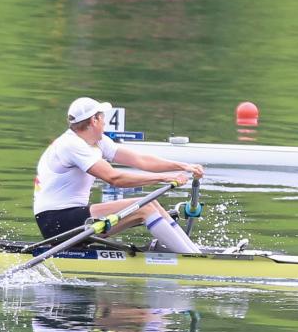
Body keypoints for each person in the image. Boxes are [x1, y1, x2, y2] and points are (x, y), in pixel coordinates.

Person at [34, 97, 206, 250]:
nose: (105, 122)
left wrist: (183, 166)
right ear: (94, 120)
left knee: (152, 204)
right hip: (56, 222)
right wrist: (164, 178)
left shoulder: (98, 141)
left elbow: (141, 160)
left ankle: (192, 252)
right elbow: (114, 178)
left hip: (74, 218)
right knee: (144, 206)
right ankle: (190, 259)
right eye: (102, 117)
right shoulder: (71, 145)